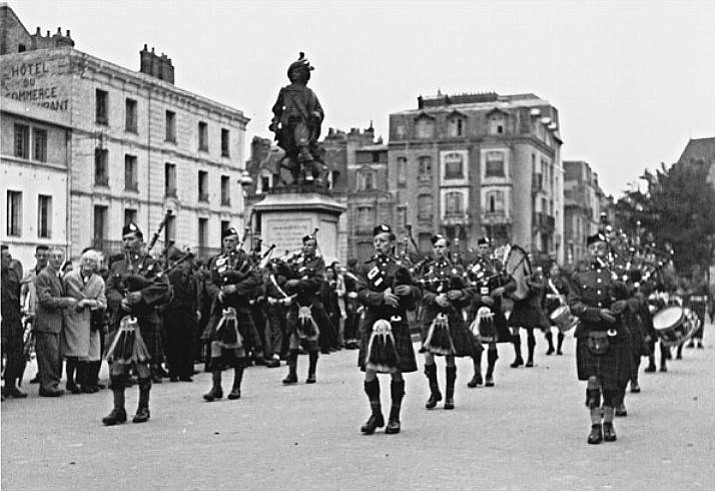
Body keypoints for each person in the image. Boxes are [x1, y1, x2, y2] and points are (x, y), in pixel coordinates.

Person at [103, 223, 171, 424]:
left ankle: (143, 407)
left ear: (140, 241)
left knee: (143, 365)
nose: (127, 243)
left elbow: (163, 287)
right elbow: (109, 289)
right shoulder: (117, 266)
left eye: (131, 239)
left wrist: (142, 295)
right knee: (117, 366)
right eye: (125, 239)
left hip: (144, 320)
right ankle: (118, 409)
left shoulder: (152, 264)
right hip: (122, 320)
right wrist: (119, 301)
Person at [568, 233, 632, 444]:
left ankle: (609, 424)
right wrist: (596, 313)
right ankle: (595, 425)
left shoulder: (614, 274)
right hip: (589, 332)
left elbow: (628, 297)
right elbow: (574, 305)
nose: (597, 251)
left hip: (612, 333)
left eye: (601, 248)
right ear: (587, 251)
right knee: (593, 380)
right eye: (593, 247)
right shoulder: (578, 277)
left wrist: (621, 300)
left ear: (606, 251)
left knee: (611, 382)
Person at [358, 224, 421, 435]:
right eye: (376, 241)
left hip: (395, 321)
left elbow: (417, 292)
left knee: (396, 369)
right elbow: (360, 292)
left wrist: (409, 290)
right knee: (370, 369)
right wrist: (380, 297)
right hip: (374, 320)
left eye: (383, 241)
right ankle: (376, 415)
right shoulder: (367, 267)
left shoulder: (401, 267)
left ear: (392, 243)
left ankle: (394, 417)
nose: (378, 245)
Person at [202, 227, 262, 401]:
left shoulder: (244, 259)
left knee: (239, 346)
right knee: (214, 344)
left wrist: (236, 288)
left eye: (232, 241)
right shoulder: (216, 261)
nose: (228, 244)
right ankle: (216, 387)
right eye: (226, 241)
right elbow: (209, 281)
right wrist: (217, 293)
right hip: (220, 308)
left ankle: (236, 387)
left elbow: (255, 278)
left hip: (239, 308)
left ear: (237, 242)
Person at [419, 235, 474, 410]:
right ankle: (434, 392)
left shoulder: (457, 269)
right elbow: (420, 291)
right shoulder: (427, 269)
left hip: (451, 316)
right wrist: (434, 298)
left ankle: (449, 396)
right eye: (435, 247)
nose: (438, 250)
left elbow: (470, 290)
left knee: (450, 355)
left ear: (447, 249)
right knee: (429, 353)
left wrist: (460, 294)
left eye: (442, 246)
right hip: (431, 315)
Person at [465, 237, 515, 387]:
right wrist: (480, 297)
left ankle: (489, 374)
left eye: (486, 247)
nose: (484, 250)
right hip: (477, 308)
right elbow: (467, 290)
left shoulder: (497, 266)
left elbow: (513, 283)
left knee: (493, 342)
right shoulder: (472, 267)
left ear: (490, 249)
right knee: (475, 343)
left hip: (494, 309)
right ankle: (477, 374)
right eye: (481, 247)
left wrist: (503, 289)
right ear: (477, 249)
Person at [281, 234, 331, 384]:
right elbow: (288, 278)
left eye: (311, 245)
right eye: (306, 245)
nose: (307, 248)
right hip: (297, 302)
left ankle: (312, 373)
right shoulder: (297, 261)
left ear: (315, 248)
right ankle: (292, 373)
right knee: (293, 336)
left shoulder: (319, 263)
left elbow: (318, 281)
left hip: (311, 303)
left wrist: (299, 283)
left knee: (312, 337)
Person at [269, 52, 325, 185]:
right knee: (291, 152)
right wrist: (275, 122)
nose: (295, 74)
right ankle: (294, 178)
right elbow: (277, 108)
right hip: (287, 124)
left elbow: (318, 110)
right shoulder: (285, 91)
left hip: (302, 123)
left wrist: (316, 115)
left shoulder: (309, 93)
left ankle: (309, 172)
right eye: (293, 72)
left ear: (304, 74)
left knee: (303, 146)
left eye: (298, 72)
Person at [61, 249, 106, 394]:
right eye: (85, 260)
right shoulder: (69, 277)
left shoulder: (98, 281)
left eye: (91, 261)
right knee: (73, 351)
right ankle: (70, 381)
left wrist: (88, 302)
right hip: (72, 318)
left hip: (90, 319)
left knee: (88, 353)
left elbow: (102, 302)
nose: (87, 263)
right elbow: (62, 294)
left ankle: (87, 382)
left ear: (96, 265)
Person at [163, 247, 198, 382]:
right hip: (174, 313)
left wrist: (195, 311)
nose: (184, 265)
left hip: (188, 314)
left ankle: (185, 371)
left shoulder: (192, 277)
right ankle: (174, 371)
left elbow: (195, 295)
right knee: (174, 343)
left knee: (187, 343)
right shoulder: (171, 276)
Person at [508, 265, 550, 367]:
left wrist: (528, 283)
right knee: (514, 328)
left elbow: (541, 286)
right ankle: (518, 357)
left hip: (530, 302)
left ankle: (530, 358)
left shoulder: (535, 270)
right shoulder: (515, 268)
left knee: (529, 330)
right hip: (518, 302)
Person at [20, 245, 50, 384]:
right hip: (33, 314)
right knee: (32, 345)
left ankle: (44, 373)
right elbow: (23, 290)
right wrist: (22, 306)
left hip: (47, 314)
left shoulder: (51, 274)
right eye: (40, 255)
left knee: (45, 346)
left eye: (45, 255)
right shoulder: (30, 273)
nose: (42, 258)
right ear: (36, 256)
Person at [2, 245, 28, 399]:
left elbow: (17, 294)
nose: (10, 259)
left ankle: (10, 385)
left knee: (16, 353)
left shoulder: (12, 274)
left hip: (13, 319)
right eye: (6, 257)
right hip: (2, 319)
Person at [544, 263, 569, 355]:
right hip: (548, 307)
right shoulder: (546, 282)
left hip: (559, 306)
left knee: (561, 327)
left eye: (557, 270)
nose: (555, 272)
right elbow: (542, 295)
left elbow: (567, 292)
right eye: (553, 270)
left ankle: (559, 348)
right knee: (547, 327)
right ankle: (550, 346)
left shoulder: (563, 281)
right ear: (550, 271)